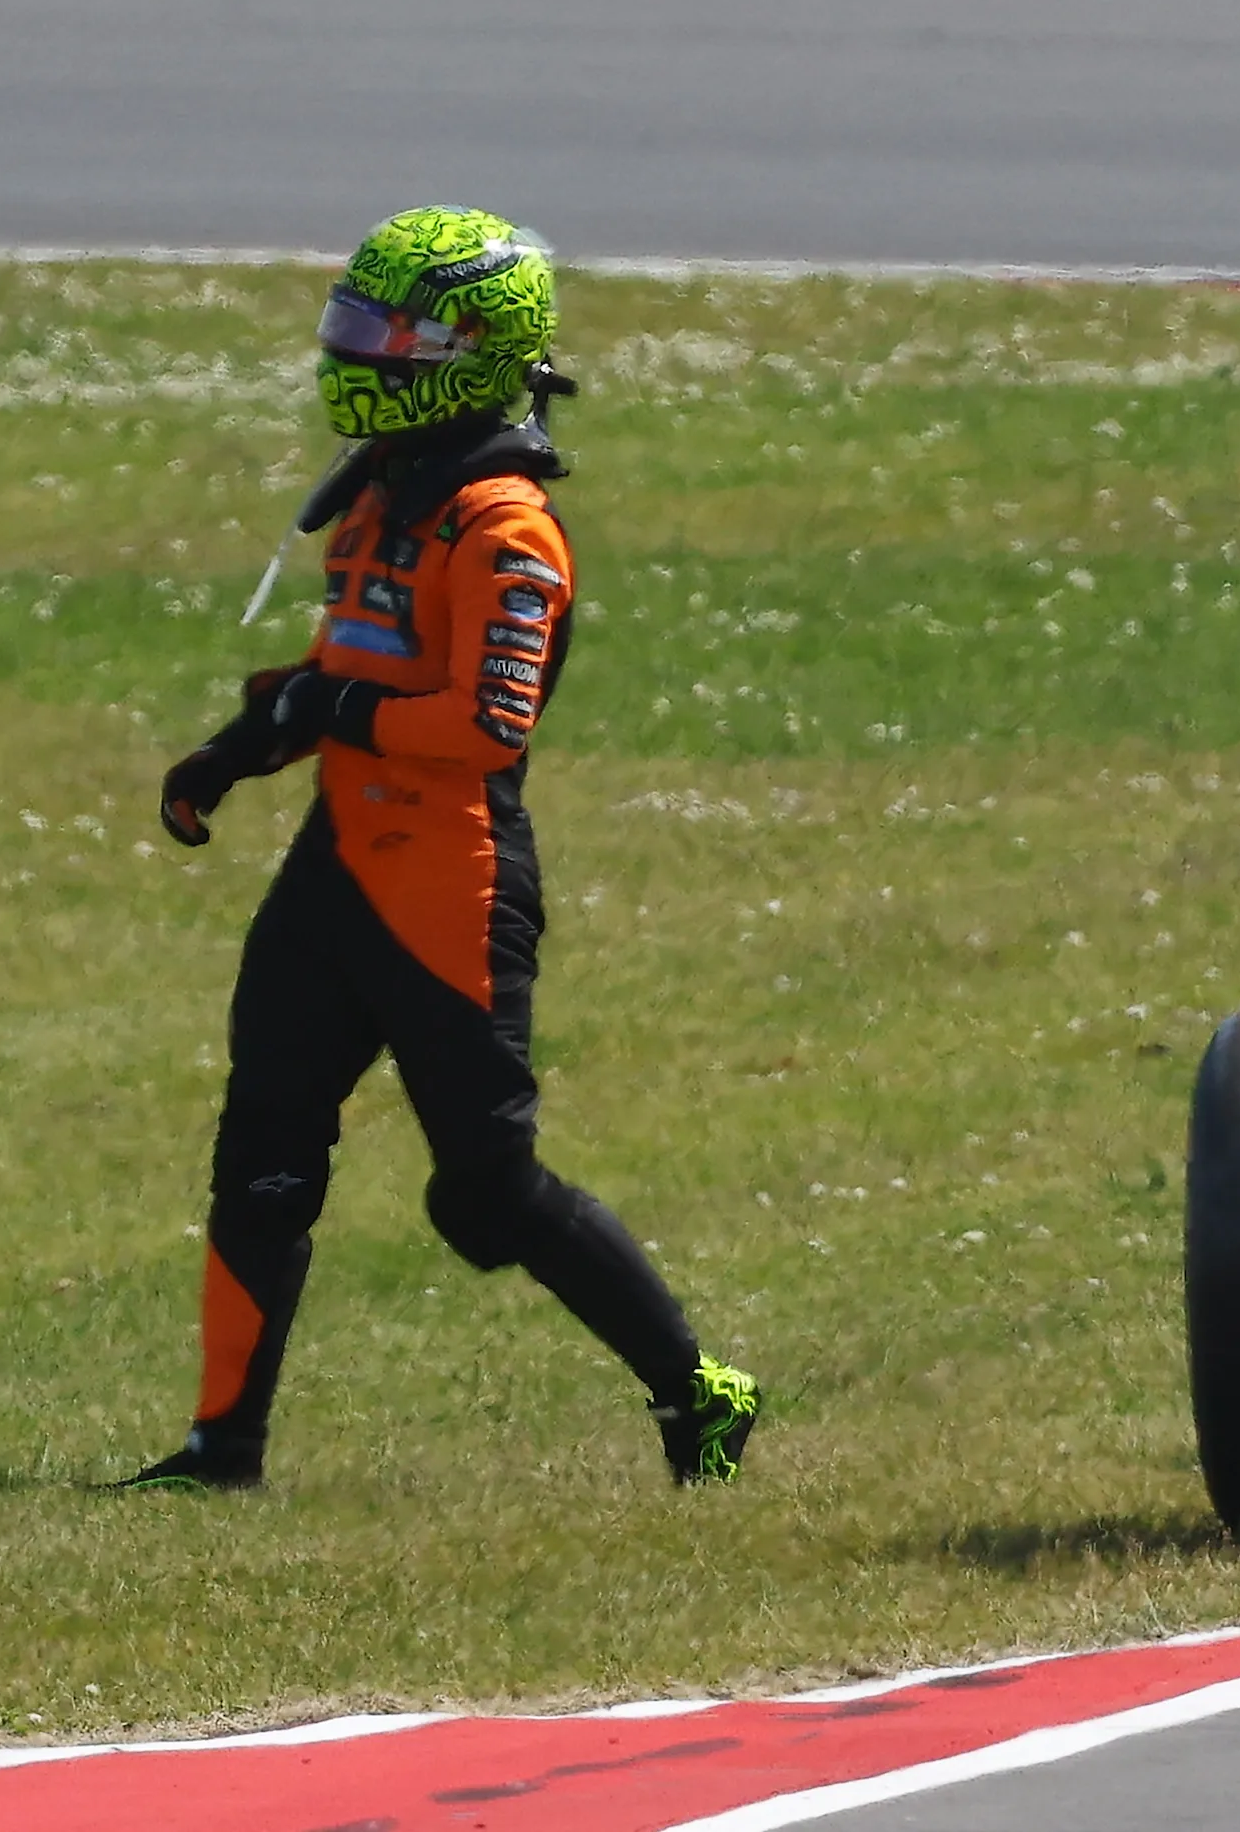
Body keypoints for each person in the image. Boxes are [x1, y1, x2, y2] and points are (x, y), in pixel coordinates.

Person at [113, 207, 758, 1490]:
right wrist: (237, 753)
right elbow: (340, 670)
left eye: (382, 332)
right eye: (351, 325)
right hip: (334, 875)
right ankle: (220, 1449)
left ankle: (702, 1393)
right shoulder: (377, 502)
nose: (355, 352)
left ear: (470, 345)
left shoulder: (505, 529)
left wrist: (331, 711)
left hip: (448, 891)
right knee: (263, 1154)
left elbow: (482, 724)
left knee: (484, 1198)